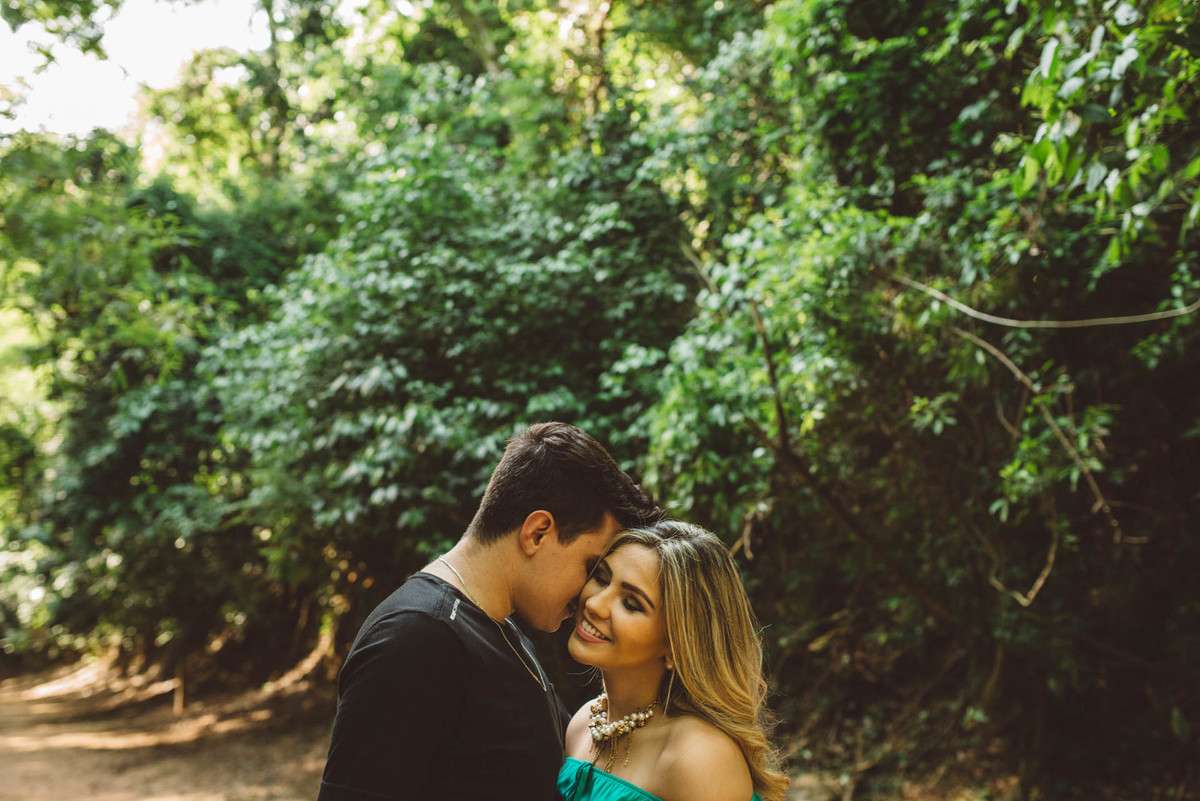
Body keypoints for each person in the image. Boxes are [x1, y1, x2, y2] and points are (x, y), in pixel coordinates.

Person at [318, 422, 661, 801]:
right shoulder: (416, 636)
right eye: (590, 567)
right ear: (538, 533)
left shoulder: (494, 627)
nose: (588, 596)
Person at [559, 520, 789, 801]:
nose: (594, 604)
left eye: (631, 604)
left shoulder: (699, 755)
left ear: (677, 645)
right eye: (602, 578)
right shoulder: (583, 723)